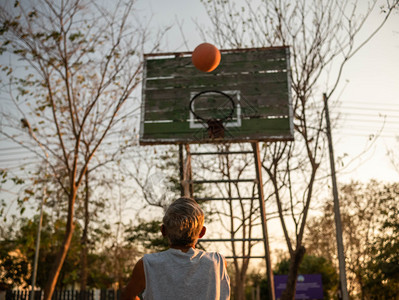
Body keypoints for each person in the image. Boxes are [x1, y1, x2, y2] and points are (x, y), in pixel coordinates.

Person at [121, 197, 230, 300]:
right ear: (202, 232)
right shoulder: (217, 262)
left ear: (163, 231)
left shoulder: (146, 265)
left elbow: (126, 297)